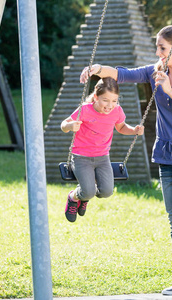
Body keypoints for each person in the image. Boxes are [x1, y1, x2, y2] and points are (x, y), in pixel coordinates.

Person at [80, 25, 172, 299]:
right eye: (157, 47)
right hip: (167, 157)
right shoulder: (155, 70)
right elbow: (124, 74)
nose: (157, 52)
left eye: (162, 48)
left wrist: (169, 89)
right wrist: (97, 68)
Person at [61, 77, 144, 223]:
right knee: (88, 191)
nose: (110, 105)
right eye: (105, 100)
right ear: (96, 97)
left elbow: (121, 127)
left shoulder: (117, 111)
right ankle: (74, 197)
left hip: (102, 157)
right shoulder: (85, 110)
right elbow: (64, 124)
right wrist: (70, 126)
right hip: (81, 157)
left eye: (114, 101)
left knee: (107, 191)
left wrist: (134, 130)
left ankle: (85, 196)